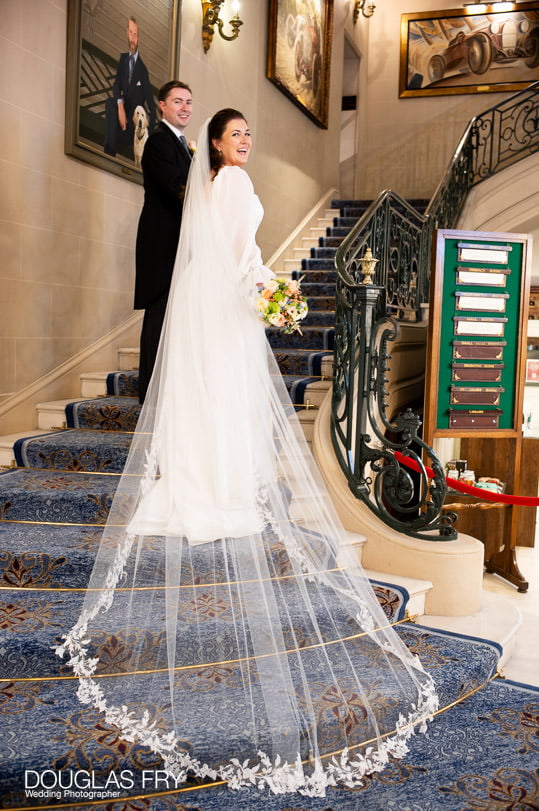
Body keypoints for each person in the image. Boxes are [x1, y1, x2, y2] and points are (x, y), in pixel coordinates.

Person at [57, 110, 438, 797]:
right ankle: (219, 489)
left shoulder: (221, 180)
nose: (244, 144)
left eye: (248, 137)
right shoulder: (228, 180)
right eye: (236, 135)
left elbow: (233, 254)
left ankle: (214, 484)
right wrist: (264, 290)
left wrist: (268, 286)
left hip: (226, 303)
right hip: (230, 303)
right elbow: (234, 257)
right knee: (226, 401)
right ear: (214, 141)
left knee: (220, 403)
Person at [134, 80, 193, 404]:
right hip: (162, 244)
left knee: (174, 314)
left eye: (189, 102)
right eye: (178, 101)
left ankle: (165, 387)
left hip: (177, 242)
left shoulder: (181, 143)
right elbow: (176, 187)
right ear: (162, 105)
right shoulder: (159, 141)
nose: (185, 107)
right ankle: (151, 395)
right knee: (159, 314)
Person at [104, 16, 156, 161]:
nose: (132, 38)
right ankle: (109, 154)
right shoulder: (123, 59)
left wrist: (149, 136)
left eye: (135, 35)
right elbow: (116, 85)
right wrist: (120, 105)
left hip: (133, 127)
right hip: (121, 118)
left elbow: (151, 104)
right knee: (111, 103)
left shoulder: (143, 70)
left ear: (138, 39)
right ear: (127, 33)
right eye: (131, 33)